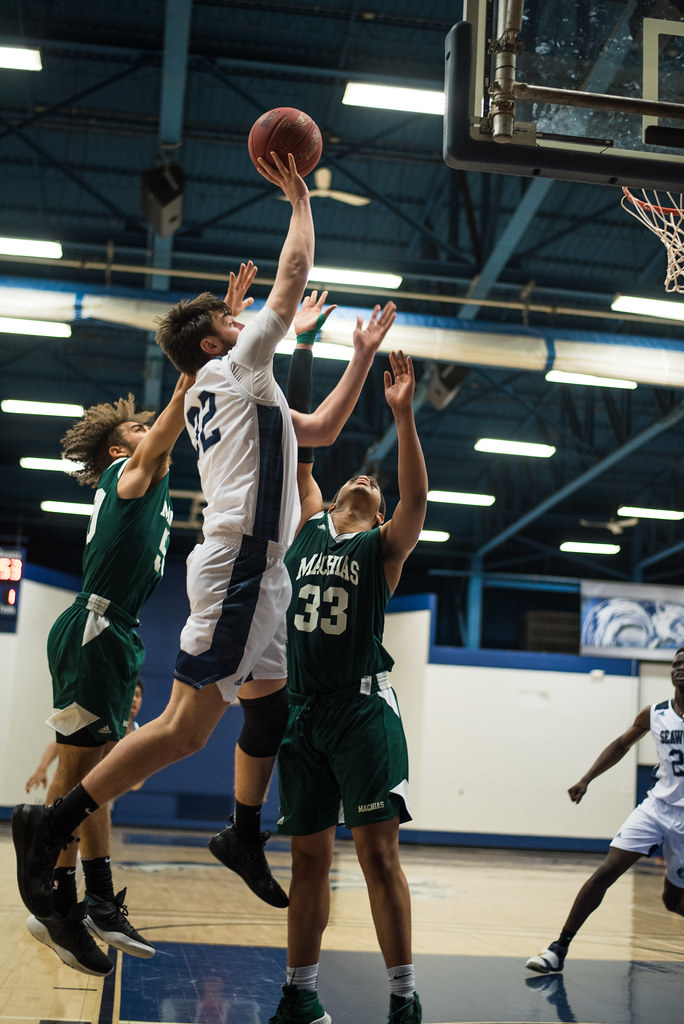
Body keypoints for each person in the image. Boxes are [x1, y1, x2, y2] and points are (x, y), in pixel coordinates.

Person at [12, 151, 394, 944]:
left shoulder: (239, 387)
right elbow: (292, 280)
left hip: (262, 570)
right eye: (234, 321)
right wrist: (298, 201)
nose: (245, 319)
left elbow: (318, 431)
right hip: (241, 565)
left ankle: (243, 832)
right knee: (188, 730)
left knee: (273, 704)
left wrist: (357, 359)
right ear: (220, 342)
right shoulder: (235, 370)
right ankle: (54, 823)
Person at [268, 302, 427, 1024]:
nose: (366, 483)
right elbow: (299, 438)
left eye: (377, 487)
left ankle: (403, 998)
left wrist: (403, 417)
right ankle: (300, 994)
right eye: (354, 484)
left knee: (377, 857)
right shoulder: (305, 528)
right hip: (304, 714)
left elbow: (417, 497)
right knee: (307, 861)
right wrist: (304, 339)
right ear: (336, 498)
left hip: (363, 712)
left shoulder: (383, 549)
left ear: (379, 507)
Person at [17, 374, 192, 979]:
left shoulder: (149, 490)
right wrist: (191, 376)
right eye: (137, 431)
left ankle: (96, 898)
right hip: (95, 630)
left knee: (95, 782)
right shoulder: (128, 477)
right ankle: (56, 905)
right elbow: (165, 433)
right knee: (76, 779)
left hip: (116, 634)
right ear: (119, 451)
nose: (150, 434)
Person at [526, 646, 684, 975]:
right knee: (606, 872)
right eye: (676, 663)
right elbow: (620, 745)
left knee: (673, 901)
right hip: (656, 807)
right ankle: (559, 948)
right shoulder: (654, 713)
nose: (679, 669)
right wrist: (586, 779)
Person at [25, 678, 145, 794]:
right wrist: (42, 768)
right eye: (131, 694)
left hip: (100, 792)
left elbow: (136, 784)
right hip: (76, 784)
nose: (134, 699)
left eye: (138, 695)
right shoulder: (104, 720)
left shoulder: (138, 733)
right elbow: (60, 742)